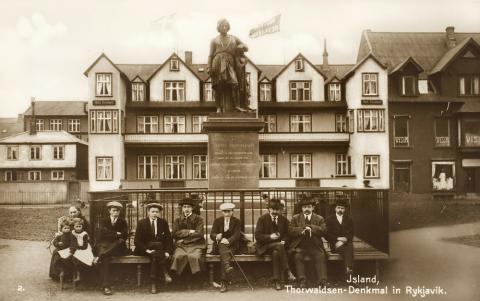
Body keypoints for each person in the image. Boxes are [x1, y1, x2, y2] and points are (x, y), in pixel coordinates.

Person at [207, 18, 249, 113]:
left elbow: (246, 47)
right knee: (218, 85)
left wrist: (241, 46)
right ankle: (218, 107)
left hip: (230, 62)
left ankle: (237, 106)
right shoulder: (214, 40)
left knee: (234, 83)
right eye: (222, 26)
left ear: (228, 27)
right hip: (217, 62)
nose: (224, 27)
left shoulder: (234, 38)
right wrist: (209, 67)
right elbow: (210, 55)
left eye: (226, 26)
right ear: (218, 28)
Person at [254, 198, 295, 290]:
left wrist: (284, 241)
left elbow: (289, 234)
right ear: (269, 209)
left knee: (276, 252)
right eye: (272, 209)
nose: (274, 212)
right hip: (265, 246)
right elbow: (257, 235)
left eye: (277, 210)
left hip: (279, 248)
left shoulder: (283, 220)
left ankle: (277, 281)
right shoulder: (262, 219)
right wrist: (269, 237)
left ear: (279, 210)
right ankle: (288, 271)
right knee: (279, 246)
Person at [134, 202, 173, 294]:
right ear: (148, 212)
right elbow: (137, 241)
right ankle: (165, 272)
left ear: (159, 213)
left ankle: (153, 284)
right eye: (152, 211)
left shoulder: (163, 222)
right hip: (144, 249)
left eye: (157, 211)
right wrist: (147, 250)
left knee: (155, 254)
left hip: (157, 251)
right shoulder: (142, 223)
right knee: (158, 245)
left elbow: (168, 239)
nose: (155, 213)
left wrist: (167, 251)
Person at [288, 196, 328, 288]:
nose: (307, 209)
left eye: (309, 207)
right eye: (305, 207)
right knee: (297, 256)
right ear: (302, 208)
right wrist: (302, 229)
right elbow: (290, 230)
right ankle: (302, 280)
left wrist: (312, 227)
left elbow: (324, 230)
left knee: (320, 255)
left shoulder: (319, 218)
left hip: (315, 246)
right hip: (300, 246)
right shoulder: (296, 218)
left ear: (313, 208)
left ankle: (322, 281)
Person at [93, 201, 129, 295]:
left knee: (119, 243)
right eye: (114, 210)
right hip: (106, 247)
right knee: (105, 258)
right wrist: (116, 233)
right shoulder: (103, 221)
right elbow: (101, 235)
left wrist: (109, 233)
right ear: (109, 211)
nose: (116, 213)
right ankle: (106, 286)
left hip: (117, 248)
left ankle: (100, 256)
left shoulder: (122, 221)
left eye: (118, 211)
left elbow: (124, 236)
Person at [171, 197, 206, 284]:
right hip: (181, 245)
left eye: (188, 207)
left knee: (195, 257)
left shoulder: (199, 219)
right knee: (178, 256)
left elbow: (199, 234)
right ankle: (179, 279)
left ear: (192, 208)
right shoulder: (177, 220)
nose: (186, 209)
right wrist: (189, 231)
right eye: (184, 207)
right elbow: (174, 234)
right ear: (182, 208)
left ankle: (196, 279)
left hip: (196, 244)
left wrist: (182, 235)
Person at [209, 202, 241, 293]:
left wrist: (229, 240)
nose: (226, 214)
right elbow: (212, 234)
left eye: (228, 211)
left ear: (232, 212)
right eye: (224, 212)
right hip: (219, 246)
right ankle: (226, 269)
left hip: (232, 246)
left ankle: (223, 282)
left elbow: (237, 235)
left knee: (224, 255)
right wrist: (216, 236)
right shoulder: (217, 221)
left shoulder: (237, 221)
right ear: (222, 212)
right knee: (223, 250)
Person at [326, 198, 355, 283]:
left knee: (348, 247)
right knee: (349, 248)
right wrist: (337, 239)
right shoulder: (329, 219)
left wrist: (345, 239)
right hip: (335, 245)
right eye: (338, 208)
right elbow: (327, 234)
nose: (340, 210)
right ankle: (349, 272)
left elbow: (352, 233)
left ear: (344, 209)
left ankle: (348, 271)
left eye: (342, 208)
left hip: (346, 244)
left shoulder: (349, 219)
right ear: (335, 208)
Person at [70, 218, 94, 286]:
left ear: (82, 226)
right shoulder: (73, 233)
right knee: (73, 258)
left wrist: (76, 247)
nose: (78, 228)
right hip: (76, 248)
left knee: (83, 259)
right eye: (76, 226)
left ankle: (85, 277)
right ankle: (77, 274)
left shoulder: (84, 234)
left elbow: (84, 246)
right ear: (74, 227)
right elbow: (72, 242)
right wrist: (73, 248)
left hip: (84, 249)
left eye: (79, 226)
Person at [49, 220, 74, 286]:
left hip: (67, 250)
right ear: (61, 229)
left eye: (68, 228)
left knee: (66, 260)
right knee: (56, 256)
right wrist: (58, 243)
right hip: (60, 249)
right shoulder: (60, 235)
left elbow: (72, 243)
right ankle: (56, 274)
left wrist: (71, 249)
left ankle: (67, 275)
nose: (67, 230)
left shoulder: (71, 235)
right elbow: (55, 242)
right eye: (65, 228)